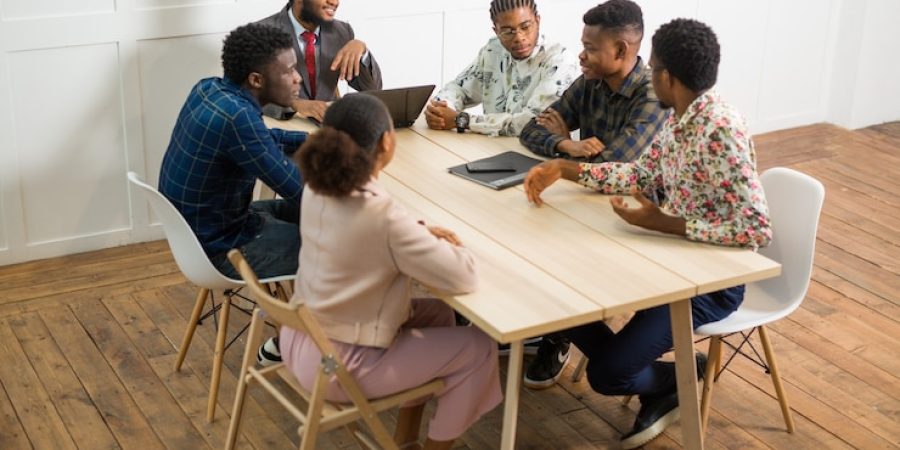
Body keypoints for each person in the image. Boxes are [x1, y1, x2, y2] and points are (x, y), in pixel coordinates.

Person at [523, 18, 772, 449]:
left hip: (710, 283)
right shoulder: (678, 120)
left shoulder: (720, 129)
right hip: (668, 261)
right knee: (556, 294)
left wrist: (666, 223)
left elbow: (757, 228)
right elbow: (640, 172)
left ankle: (675, 378)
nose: (647, 72)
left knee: (608, 375)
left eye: (651, 65)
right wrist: (566, 168)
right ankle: (656, 376)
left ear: (666, 77)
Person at [281, 94, 502, 450]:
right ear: (387, 142)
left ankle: (404, 439)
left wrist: (415, 231)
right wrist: (453, 245)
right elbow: (463, 276)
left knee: (436, 311)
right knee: (479, 348)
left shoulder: (318, 187)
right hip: (341, 366)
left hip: (301, 339)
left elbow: (366, 234)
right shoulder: (382, 217)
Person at [518, 0, 669, 392]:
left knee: (548, 265)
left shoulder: (654, 95)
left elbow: (618, 165)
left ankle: (657, 377)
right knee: (532, 256)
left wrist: (572, 153)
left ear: (621, 50)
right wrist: (566, 147)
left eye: (590, 47)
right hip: (591, 207)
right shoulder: (590, 81)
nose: (580, 54)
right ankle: (645, 376)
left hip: (646, 224)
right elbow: (531, 131)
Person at [159, 23, 306, 282]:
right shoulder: (239, 118)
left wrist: (314, 140)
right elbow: (300, 192)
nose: (298, 78)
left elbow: (261, 140)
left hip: (204, 234)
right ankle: (318, 320)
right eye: (289, 71)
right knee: (346, 249)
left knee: (324, 225)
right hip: (223, 249)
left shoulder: (208, 89)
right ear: (256, 80)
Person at [425, 0, 578, 137]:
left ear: (538, 21)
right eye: (507, 31)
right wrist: (441, 110)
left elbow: (532, 122)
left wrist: (462, 120)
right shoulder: (494, 50)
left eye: (525, 27)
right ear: (496, 31)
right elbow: (460, 88)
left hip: (537, 156)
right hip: (494, 149)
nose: (519, 37)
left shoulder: (559, 61)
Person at [257, 0, 382, 122]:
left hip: (329, 130)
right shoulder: (261, 32)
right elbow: (245, 94)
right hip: (284, 130)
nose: (334, 2)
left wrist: (362, 51)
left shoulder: (342, 31)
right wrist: (295, 104)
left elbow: (372, 88)